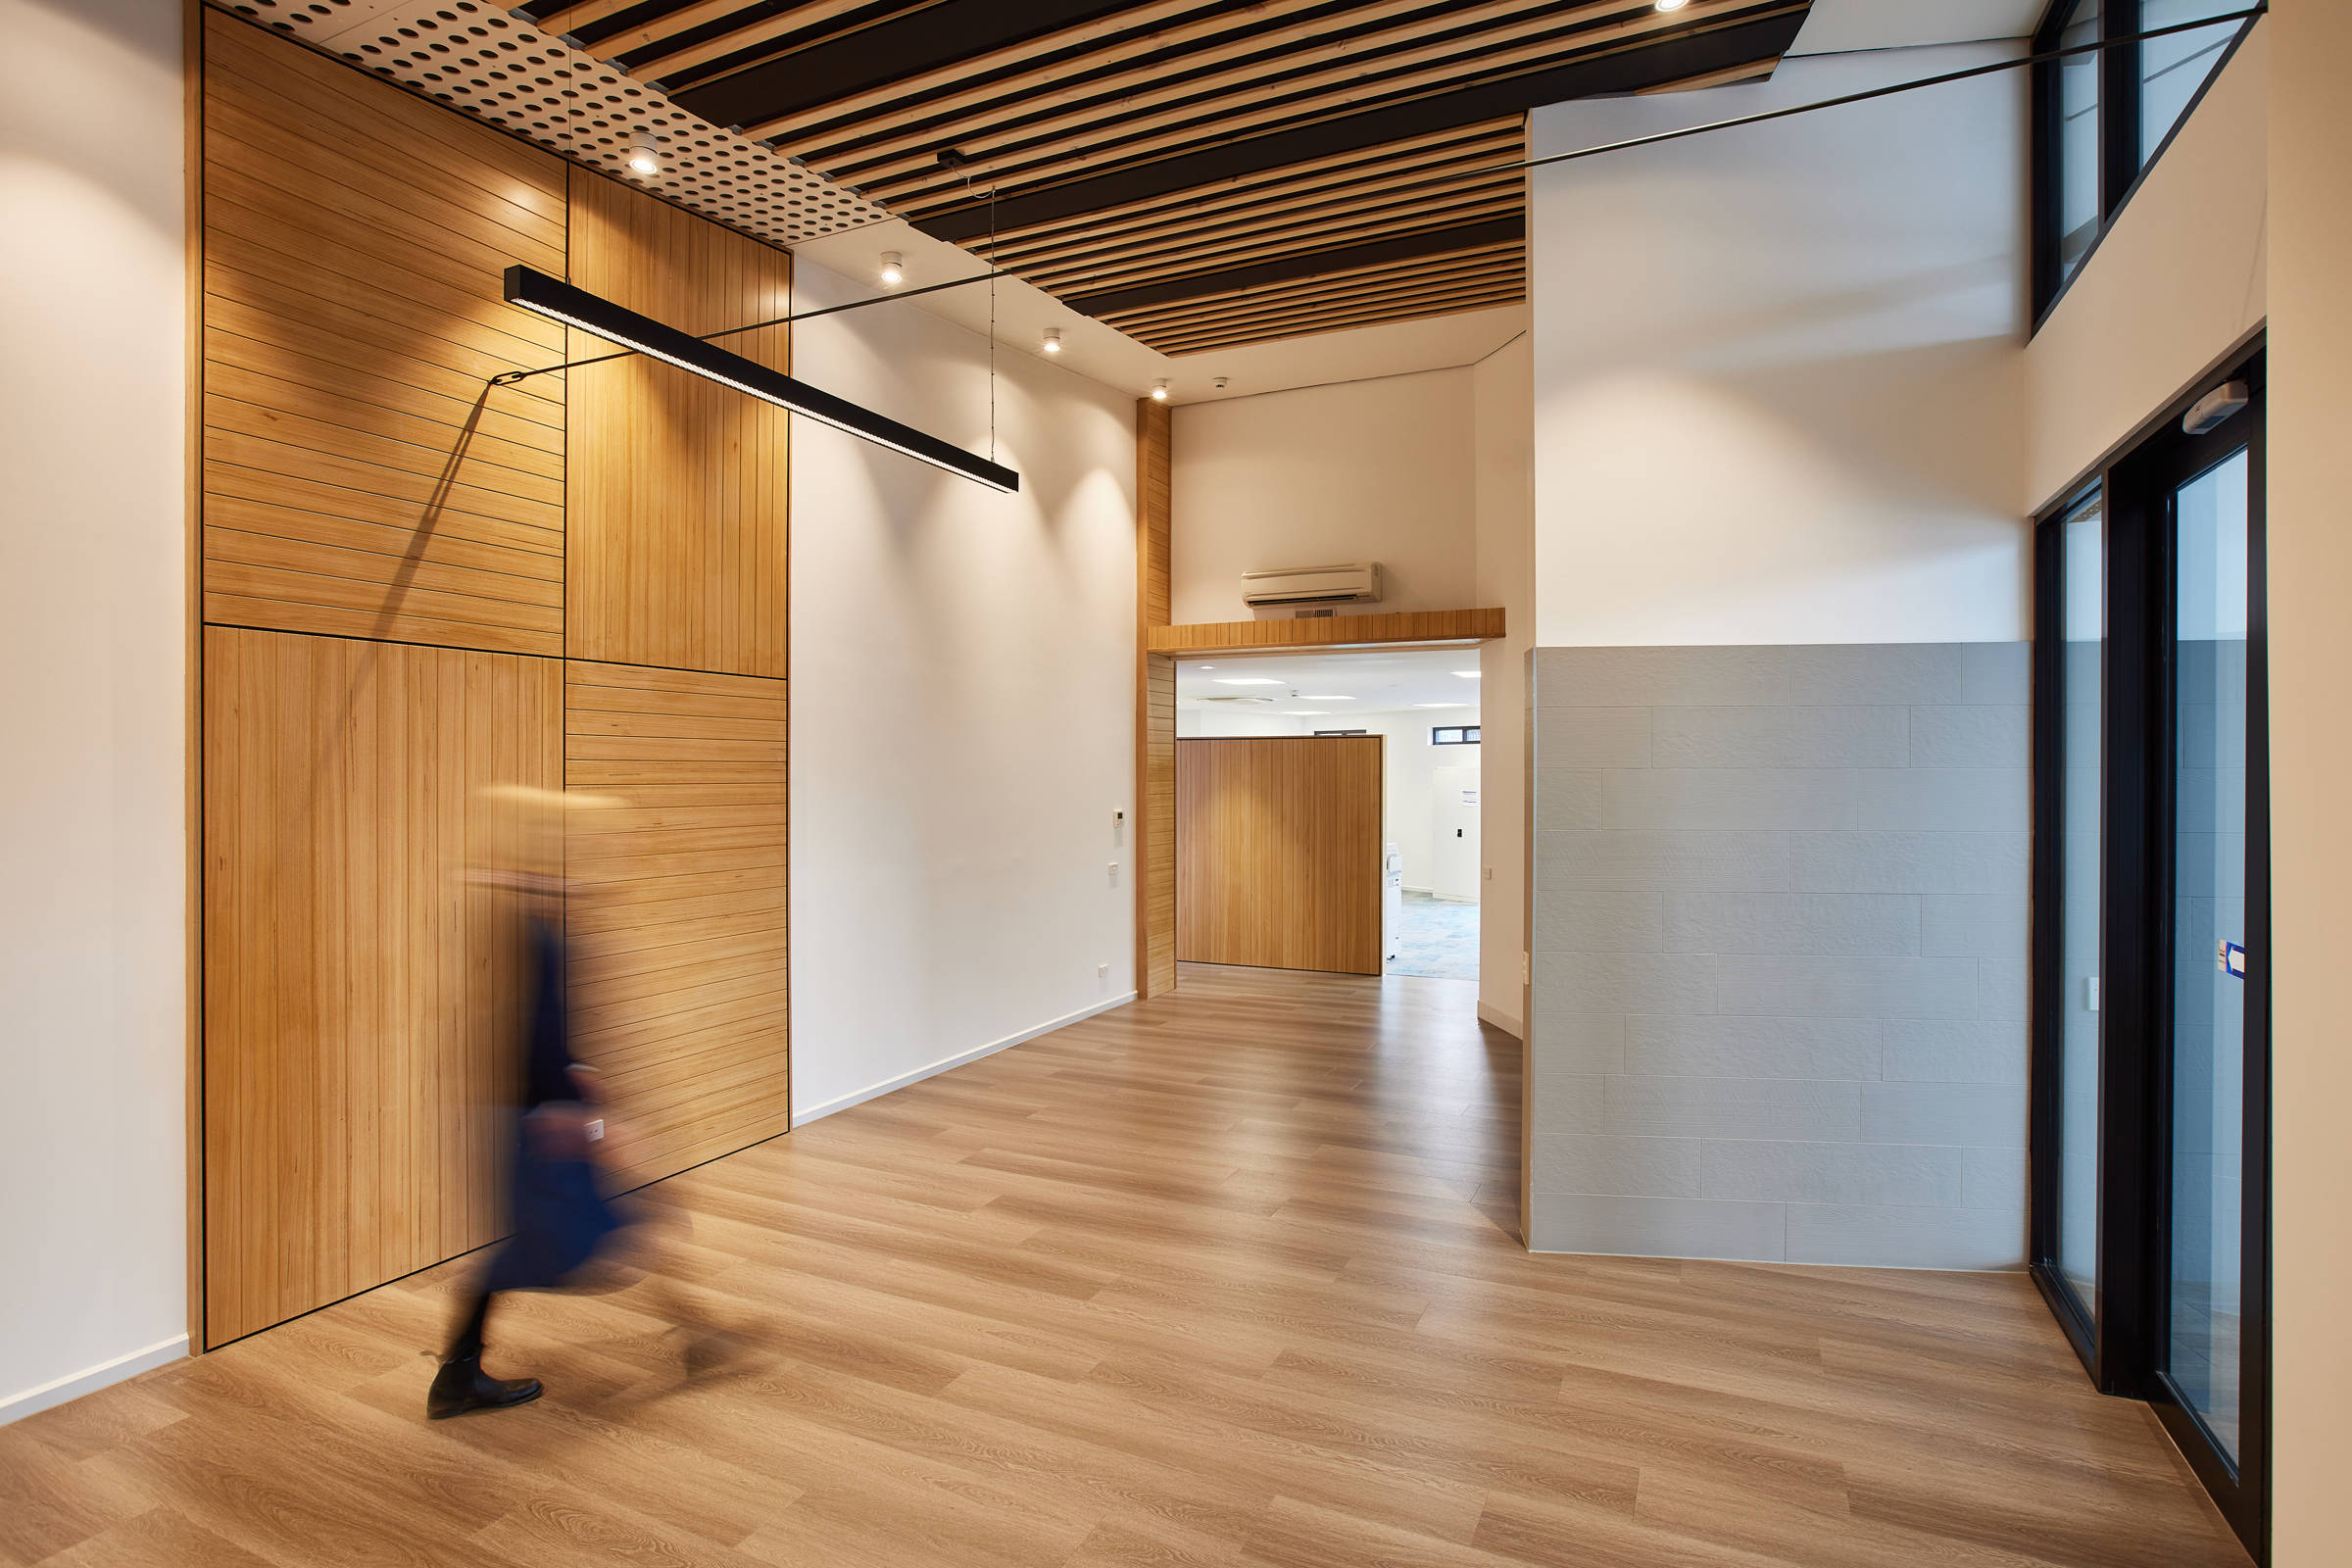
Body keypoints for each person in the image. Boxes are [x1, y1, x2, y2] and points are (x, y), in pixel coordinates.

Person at [427, 788, 622, 1420]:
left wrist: (576, 1072)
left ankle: (457, 1370)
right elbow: (533, 1034)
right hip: (536, 1121)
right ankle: (456, 1376)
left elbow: (542, 1029)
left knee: (585, 1228)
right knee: (548, 1239)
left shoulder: (526, 922)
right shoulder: (534, 931)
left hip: (532, 1112)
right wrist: (572, 1111)